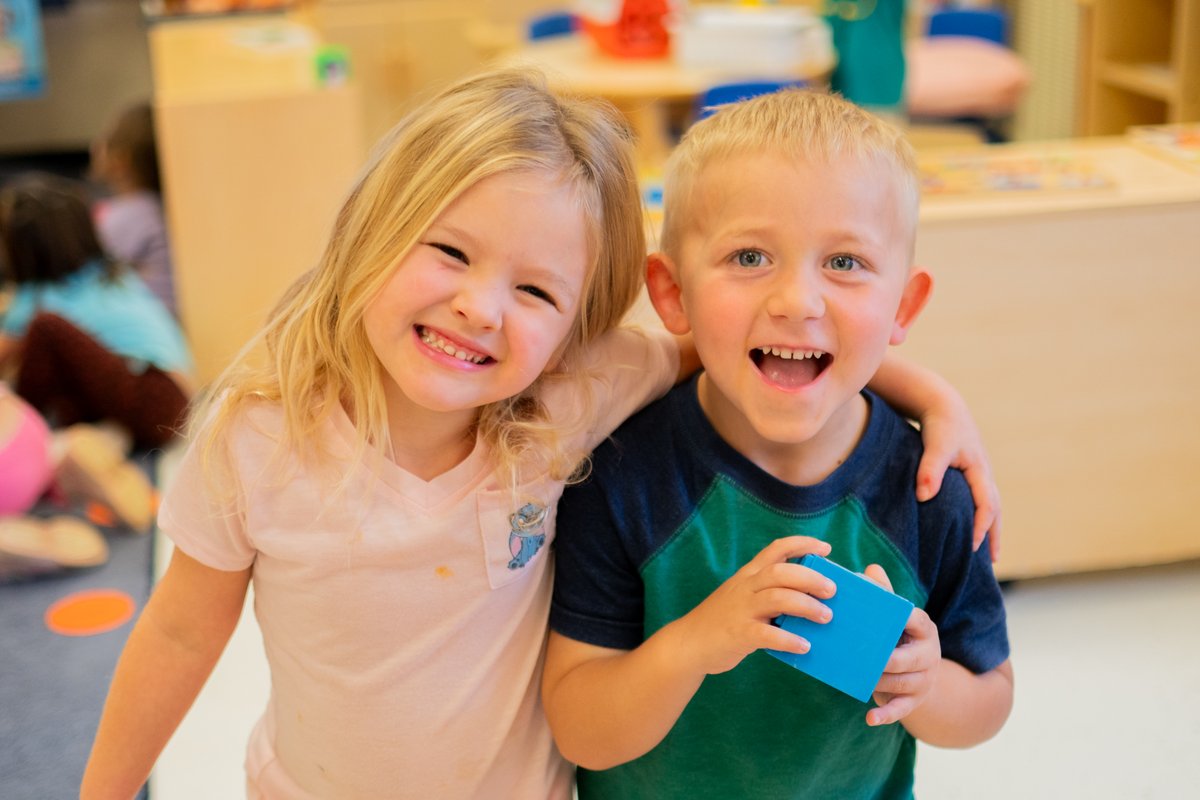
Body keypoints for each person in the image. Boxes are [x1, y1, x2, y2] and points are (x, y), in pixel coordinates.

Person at [80, 68, 999, 799]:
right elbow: (176, 639)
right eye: (449, 251)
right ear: (370, 232)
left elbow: (746, 345)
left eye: (535, 291)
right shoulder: (254, 438)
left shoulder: (571, 395)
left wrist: (920, 389)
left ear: (574, 328)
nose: (480, 309)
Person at [542, 88, 1014, 799]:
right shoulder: (620, 475)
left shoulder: (931, 491)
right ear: (673, 294)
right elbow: (580, 729)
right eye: (751, 255)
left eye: (846, 262)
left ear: (903, 306)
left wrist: (927, 683)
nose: (798, 300)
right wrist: (697, 644)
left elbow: (989, 700)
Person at [0, 173, 194, 458]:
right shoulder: (110, 275)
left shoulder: (43, 297)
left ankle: (18, 437)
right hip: (172, 396)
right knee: (61, 361)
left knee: (46, 329)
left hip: (154, 398)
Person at [89, 101, 177, 316]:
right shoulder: (161, 207)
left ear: (120, 159)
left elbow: (86, 279)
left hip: (156, 320)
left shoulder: (127, 216)